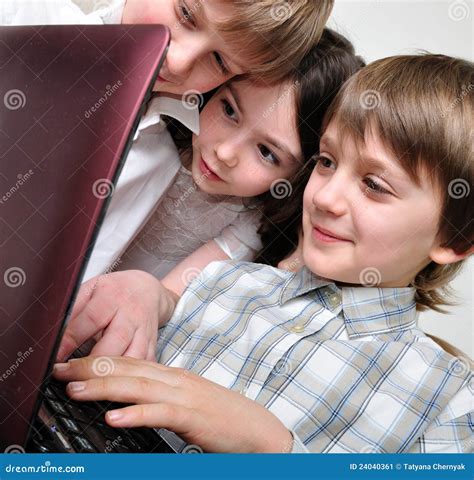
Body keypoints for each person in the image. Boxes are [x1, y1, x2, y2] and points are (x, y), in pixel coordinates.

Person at [54, 53, 473, 453]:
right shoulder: (228, 282)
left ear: (455, 241)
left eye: (374, 186)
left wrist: (273, 448)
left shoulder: (451, 397)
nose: (325, 197)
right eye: (327, 162)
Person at [57, 29, 365, 361]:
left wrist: (148, 294)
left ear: (299, 176)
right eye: (230, 110)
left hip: (105, 334)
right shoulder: (153, 124)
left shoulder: (249, 220)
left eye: (266, 152)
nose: (226, 152)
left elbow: (169, 294)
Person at [1, 0, 334, 282]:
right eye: (186, 14)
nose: (178, 61)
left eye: (219, 61)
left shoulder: (156, 163)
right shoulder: (19, 17)